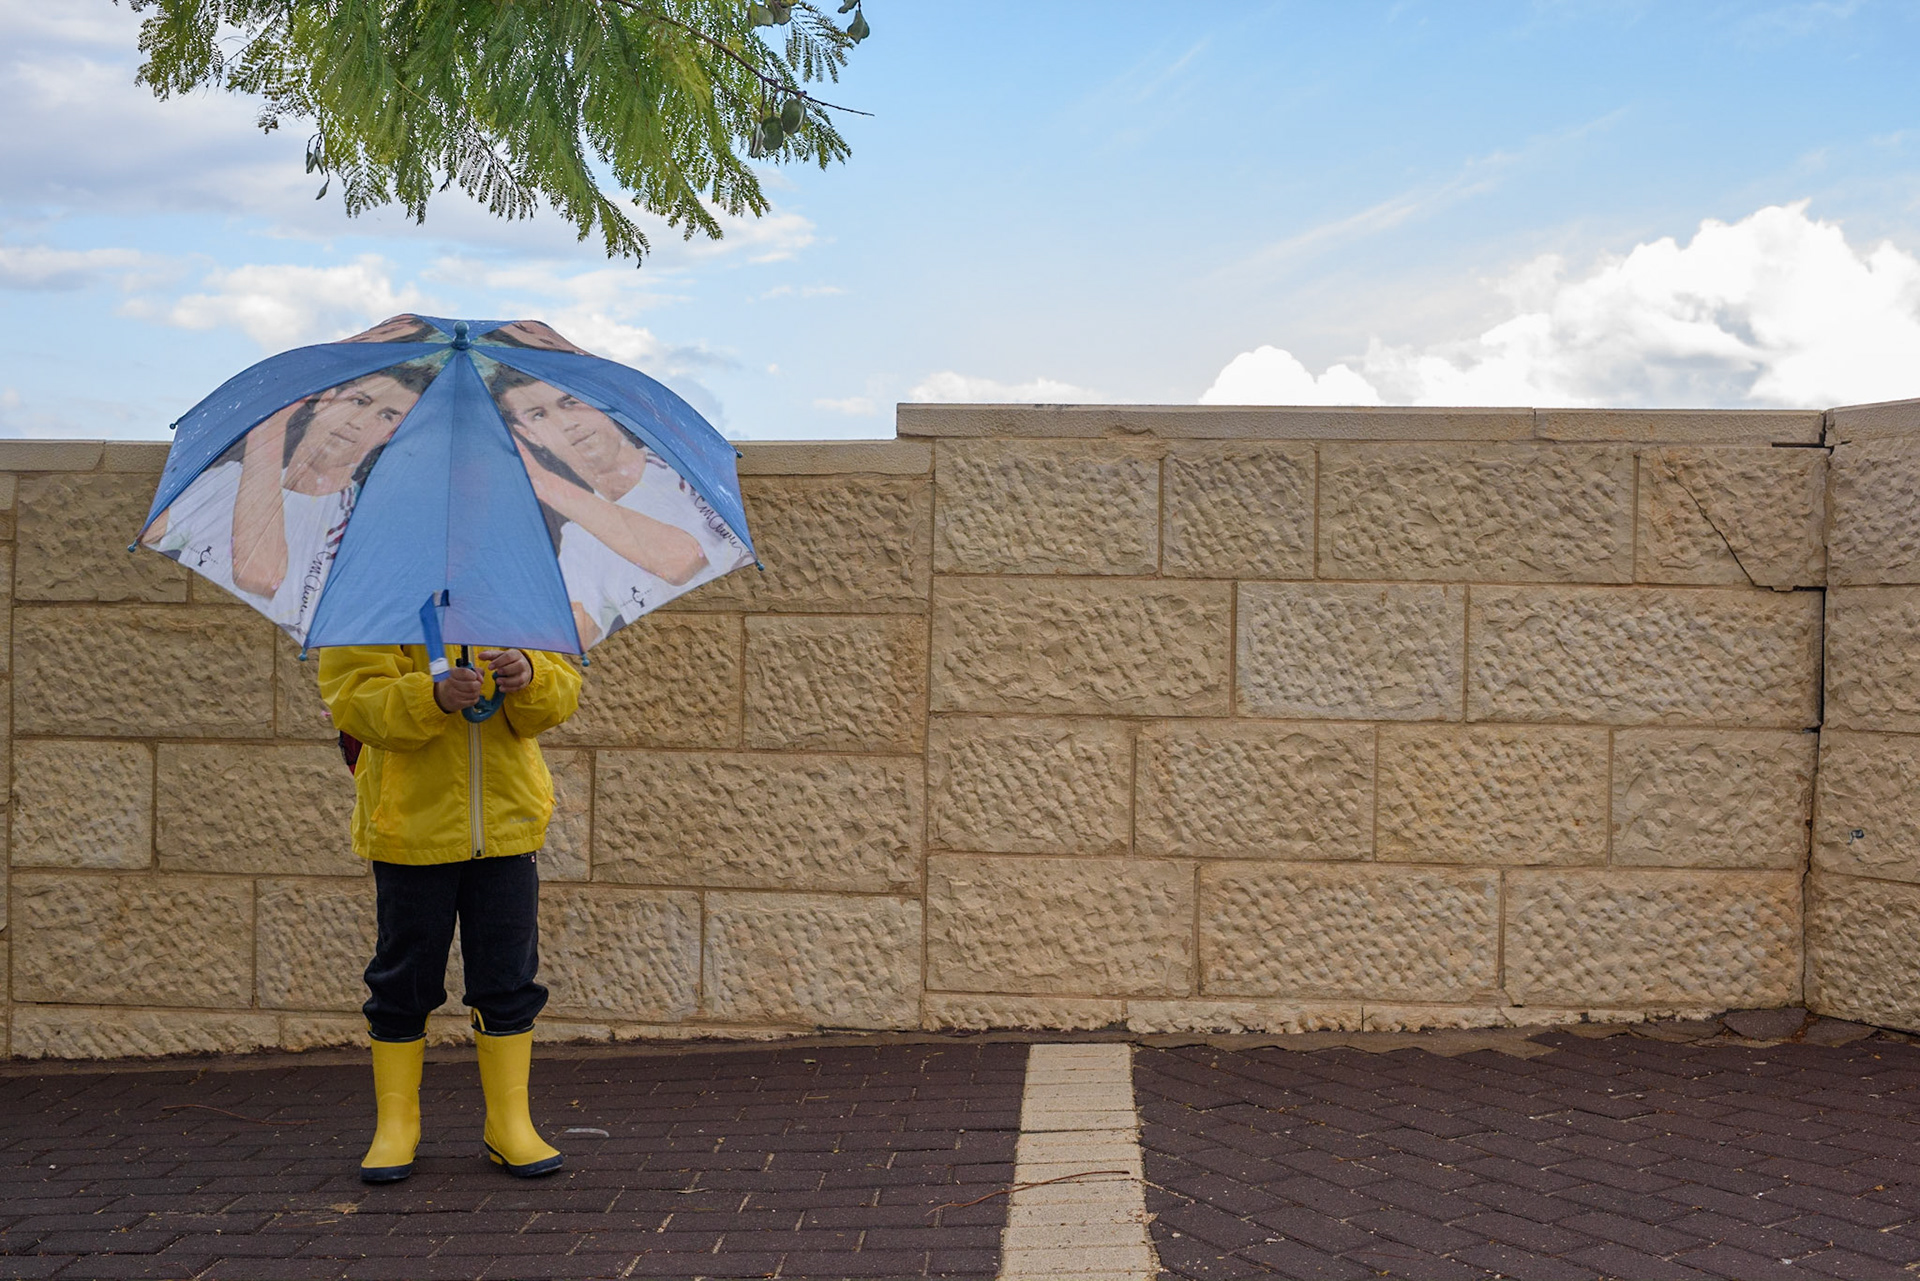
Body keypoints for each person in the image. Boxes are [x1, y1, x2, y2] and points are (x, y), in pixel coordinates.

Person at [317, 641, 582, 1183]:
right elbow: (355, 704)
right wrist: (432, 697)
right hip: (411, 832)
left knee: (509, 979)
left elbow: (557, 700)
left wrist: (530, 676)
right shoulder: (380, 609)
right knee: (403, 981)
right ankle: (397, 1126)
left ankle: (510, 1124)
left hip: (508, 828)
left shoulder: (509, 606)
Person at [141, 361, 431, 641]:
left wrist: (269, 430)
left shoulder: (360, 519)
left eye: (387, 416)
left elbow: (260, 575)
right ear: (326, 399)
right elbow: (158, 533)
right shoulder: (229, 478)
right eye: (359, 401)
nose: (358, 423)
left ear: (390, 435)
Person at [487, 363, 751, 645]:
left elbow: (681, 562)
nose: (566, 424)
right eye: (538, 415)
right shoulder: (577, 537)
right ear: (527, 435)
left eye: (570, 402)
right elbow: (574, 634)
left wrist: (545, 485)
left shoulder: (681, 474)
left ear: (597, 401)